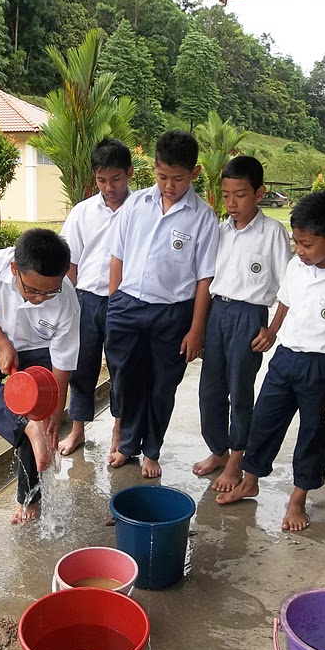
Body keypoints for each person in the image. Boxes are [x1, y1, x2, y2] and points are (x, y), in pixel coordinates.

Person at [216, 191, 325, 531]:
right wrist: (272, 331)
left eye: (306, 244)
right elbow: (286, 302)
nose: (299, 251)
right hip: (286, 359)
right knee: (263, 423)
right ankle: (251, 480)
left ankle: (297, 499)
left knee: (312, 435)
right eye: (296, 242)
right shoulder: (296, 266)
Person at [106, 129, 219, 478]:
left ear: (194, 174)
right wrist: (113, 305)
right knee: (124, 378)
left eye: (178, 178)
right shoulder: (136, 205)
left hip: (173, 313)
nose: (169, 185)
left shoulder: (203, 217)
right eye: (162, 176)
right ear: (153, 168)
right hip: (128, 305)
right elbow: (117, 258)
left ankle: (151, 449)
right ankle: (126, 443)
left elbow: (205, 278)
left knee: (161, 385)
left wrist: (196, 328)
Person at [0, 228, 80, 523]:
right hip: (3, 336)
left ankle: (29, 500)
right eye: (32, 290)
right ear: (15, 269)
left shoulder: (67, 302)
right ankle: (27, 424)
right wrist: (1, 344)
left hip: (41, 348)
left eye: (50, 291)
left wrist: (53, 410)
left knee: (34, 409)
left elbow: (62, 361)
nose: (40, 298)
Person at [193, 156, 292, 491]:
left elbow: (288, 288)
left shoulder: (272, 233)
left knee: (240, 389)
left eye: (241, 194)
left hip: (249, 316)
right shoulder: (219, 232)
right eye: (226, 195)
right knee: (210, 390)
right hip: (216, 313)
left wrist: (272, 329)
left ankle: (236, 459)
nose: (232, 203)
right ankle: (218, 449)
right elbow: (205, 279)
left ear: (259, 193)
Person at [58, 138, 133, 457]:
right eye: (102, 180)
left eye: (115, 179)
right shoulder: (82, 213)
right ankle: (77, 430)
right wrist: (68, 307)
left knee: (122, 369)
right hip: (86, 301)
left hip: (127, 302)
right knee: (82, 367)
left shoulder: (142, 210)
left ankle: (119, 431)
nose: (109, 187)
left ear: (129, 173)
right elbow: (70, 263)